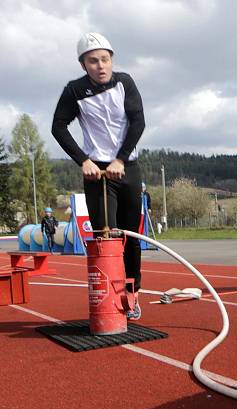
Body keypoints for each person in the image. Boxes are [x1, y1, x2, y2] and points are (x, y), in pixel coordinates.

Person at [52, 32, 145, 320]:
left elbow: (138, 121)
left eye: (105, 59)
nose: (100, 66)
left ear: (112, 60)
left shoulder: (125, 82)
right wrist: (84, 160)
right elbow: (58, 127)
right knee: (106, 238)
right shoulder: (74, 91)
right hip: (97, 175)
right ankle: (107, 297)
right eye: (93, 61)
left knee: (130, 237)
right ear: (84, 65)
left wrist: (120, 158)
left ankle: (132, 295)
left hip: (126, 168)